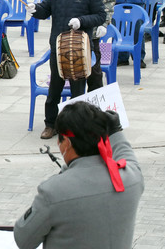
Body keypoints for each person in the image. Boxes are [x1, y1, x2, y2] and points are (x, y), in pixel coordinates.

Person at [14, 102, 144, 249]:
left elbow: (23, 239)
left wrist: (66, 172)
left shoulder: (53, 191)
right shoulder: (132, 179)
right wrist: (116, 131)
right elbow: (126, 154)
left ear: (67, 143)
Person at [27, 0, 106, 139]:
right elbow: (45, 10)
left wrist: (82, 20)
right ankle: (50, 124)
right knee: (55, 86)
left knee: (78, 89)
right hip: (58, 46)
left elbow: (100, 15)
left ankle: (75, 127)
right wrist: (34, 10)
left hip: (80, 48)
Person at [52, 0, 116, 91]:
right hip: (67, 35)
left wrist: (104, 24)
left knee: (94, 74)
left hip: (91, 34)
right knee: (68, 73)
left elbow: (109, 1)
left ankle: (94, 110)